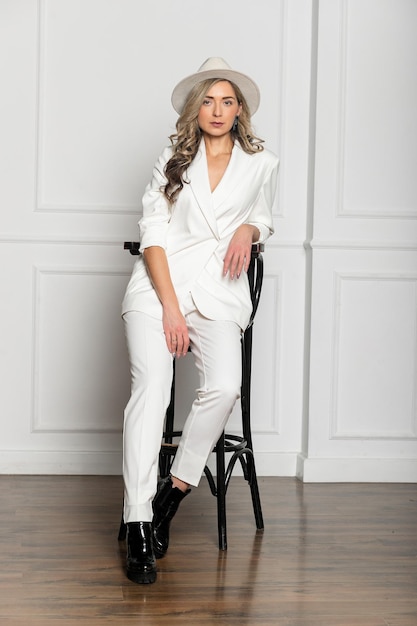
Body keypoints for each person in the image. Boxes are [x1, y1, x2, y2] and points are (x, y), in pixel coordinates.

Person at [121, 57, 279, 584]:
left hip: (217, 292)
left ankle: (173, 492)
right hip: (160, 289)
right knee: (153, 386)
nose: (217, 110)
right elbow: (153, 235)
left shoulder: (262, 164)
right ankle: (140, 521)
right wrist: (168, 306)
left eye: (227, 101)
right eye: (208, 101)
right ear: (196, 108)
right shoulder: (172, 159)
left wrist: (249, 231)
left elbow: (265, 216)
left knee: (225, 385)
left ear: (240, 110)